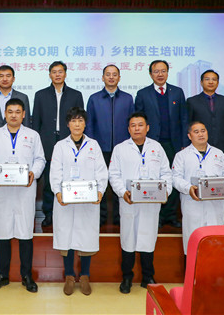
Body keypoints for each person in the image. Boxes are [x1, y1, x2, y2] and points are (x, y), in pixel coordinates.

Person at [0, 98, 46, 293]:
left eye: (18, 112)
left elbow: (40, 159)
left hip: (24, 191)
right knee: (2, 233)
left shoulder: (33, 136)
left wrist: (33, 173)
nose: (14, 115)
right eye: (10, 111)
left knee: (25, 233)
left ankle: (26, 275)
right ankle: (2, 275)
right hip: (2, 191)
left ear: (24, 114)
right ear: (5, 114)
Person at [109, 112, 172, 293]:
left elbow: (166, 173)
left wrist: (165, 192)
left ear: (147, 127)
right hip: (129, 201)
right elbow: (114, 175)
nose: (137, 128)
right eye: (133, 125)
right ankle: (127, 277)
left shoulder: (157, 148)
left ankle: (147, 276)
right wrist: (123, 192)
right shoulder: (120, 149)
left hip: (152, 203)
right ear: (128, 129)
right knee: (128, 238)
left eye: (140, 125)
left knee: (148, 237)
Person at [50, 107, 108, 296]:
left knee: (86, 237)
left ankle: (84, 276)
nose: (77, 124)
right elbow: (55, 171)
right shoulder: (60, 146)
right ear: (68, 124)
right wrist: (58, 192)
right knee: (66, 236)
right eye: (73, 121)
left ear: (85, 124)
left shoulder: (94, 145)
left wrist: (100, 191)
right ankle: (69, 276)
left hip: (87, 201)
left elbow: (101, 171)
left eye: (80, 120)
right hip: (65, 201)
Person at [135, 59, 188, 229]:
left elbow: (184, 118)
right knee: (153, 179)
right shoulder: (143, 94)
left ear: (167, 72)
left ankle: (170, 215)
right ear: (150, 74)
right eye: (156, 71)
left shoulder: (177, 92)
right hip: (152, 144)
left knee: (172, 178)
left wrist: (184, 143)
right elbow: (139, 120)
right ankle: (156, 215)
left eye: (163, 71)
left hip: (173, 144)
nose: (160, 74)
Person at [32, 61, 84, 227]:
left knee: (68, 177)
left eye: (60, 71)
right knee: (49, 180)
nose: (57, 74)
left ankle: (69, 211)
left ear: (65, 74)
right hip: (47, 142)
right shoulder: (40, 95)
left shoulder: (76, 95)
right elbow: (36, 122)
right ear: (50, 75)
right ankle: (49, 214)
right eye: (54, 72)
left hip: (69, 141)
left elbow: (80, 121)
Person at [172, 121, 224, 254]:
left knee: (215, 245)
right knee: (193, 245)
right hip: (192, 204)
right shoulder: (181, 155)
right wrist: (189, 188)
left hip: (215, 206)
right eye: (196, 132)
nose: (200, 134)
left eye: (203, 131)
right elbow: (175, 178)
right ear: (189, 136)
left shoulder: (218, 154)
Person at [0, 65, 30, 225]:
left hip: (19, 143)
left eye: (8, 75)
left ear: (13, 79)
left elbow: (27, 123)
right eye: (1, 76)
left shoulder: (23, 97)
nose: (5, 79)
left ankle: (19, 214)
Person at [86, 64, 135, 226]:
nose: (111, 77)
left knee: (119, 182)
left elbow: (132, 123)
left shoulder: (128, 99)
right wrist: (92, 146)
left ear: (119, 78)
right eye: (108, 74)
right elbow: (89, 124)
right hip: (100, 148)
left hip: (122, 149)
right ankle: (100, 217)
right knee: (100, 183)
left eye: (115, 74)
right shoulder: (94, 99)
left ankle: (118, 217)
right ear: (103, 78)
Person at [187, 69, 224, 160]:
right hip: (199, 145)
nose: (211, 82)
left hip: (222, 146)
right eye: (207, 79)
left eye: (214, 79)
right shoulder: (192, 101)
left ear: (217, 83)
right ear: (201, 82)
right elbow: (188, 124)